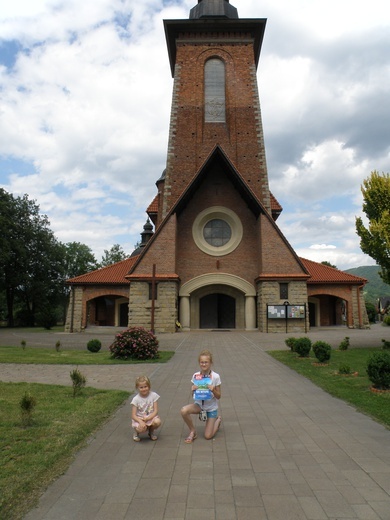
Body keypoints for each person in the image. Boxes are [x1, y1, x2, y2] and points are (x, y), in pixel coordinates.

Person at [181, 349, 222, 443]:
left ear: (211, 362)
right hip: (199, 406)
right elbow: (194, 396)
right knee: (184, 410)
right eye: (201, 362)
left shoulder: (215, 376)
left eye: (206, 362)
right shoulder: (196, 376)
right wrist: (193, 390)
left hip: (211, 408)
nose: (204, 364)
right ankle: (192, 431)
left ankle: (217, 420)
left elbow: (219, 396)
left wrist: (213, 390)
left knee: (208, 436)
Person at [131, 375, 161, 442]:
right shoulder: (136, 399)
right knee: (142, 429)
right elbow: (133, 415)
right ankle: (136, 433)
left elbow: (156, 410)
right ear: (137, 388)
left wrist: (149, 418)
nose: (144, 389)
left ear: (149, 386)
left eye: (145, 386)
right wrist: (140, 421)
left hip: (151, 416)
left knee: (157, 422)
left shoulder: (153, 395)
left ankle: (151, 431)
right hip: (140, 418)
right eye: (141, 387)